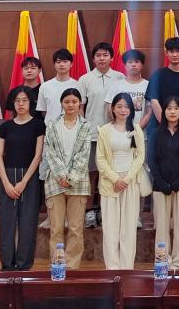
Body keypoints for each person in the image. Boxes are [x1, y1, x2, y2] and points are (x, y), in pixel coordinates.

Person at [0, 87, 45, 271]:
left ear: (31, 102)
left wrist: (24, 182)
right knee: (6, 223)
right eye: (17, 101)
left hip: (30, 177)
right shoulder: (6, 126)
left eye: (24, 100)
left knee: (27, 223)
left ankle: (24, 266)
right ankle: (7, 265)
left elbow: (38, 155)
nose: (21, 104)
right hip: (7, 176)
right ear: (13, 103)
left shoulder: (38, 125)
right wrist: (6, 183)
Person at [43, 88, 92, 269]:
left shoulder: (86, 126)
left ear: (80, 103)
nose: (70, 105)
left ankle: (72, 267)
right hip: (55, 181)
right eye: (67, 102)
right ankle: (57, 265)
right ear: (61, 104)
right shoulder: (52, 125)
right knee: (56, 228)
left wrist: (71, 177)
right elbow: (50, 152)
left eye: (74, 101)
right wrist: (62, 175)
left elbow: (84, 154)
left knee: (75, 228)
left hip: (78, 182)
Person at [96, 92, 146, 269]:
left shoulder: (136, 129)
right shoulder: (104, 131)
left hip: (130, 183)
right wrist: (115, 179)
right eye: (119, 106)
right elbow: (100, 159)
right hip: (110, 184)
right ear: (112, 109)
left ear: (131, 109)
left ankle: (127, 269)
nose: (123, 110)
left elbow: (140, 157)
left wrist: (127, 178)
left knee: (128, 229)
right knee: (110, 229)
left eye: (126, 106)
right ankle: (112, 270)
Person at [78, 42, 125, 226]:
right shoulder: (85, 79)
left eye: (105, 55)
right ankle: (90, 211)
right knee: (91, 174)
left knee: (110, 174)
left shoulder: (119, 78)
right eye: (98, 55)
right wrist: (83, 129)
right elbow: (80, 107)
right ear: (93, 59)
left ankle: (107, 210)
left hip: (114, 135)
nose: (102, 58)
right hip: (91, 135)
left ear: (112, 58)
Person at [152, 96, 179, 269]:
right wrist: (161, 182)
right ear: (164, 111)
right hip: (160, 186)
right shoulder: (156, 133)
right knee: (161, 226)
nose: (172, 112)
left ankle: (178, 261)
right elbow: (152, 161)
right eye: (169, 108)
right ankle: (162, 260)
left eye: (176, 108)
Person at [146, 37, 179, 174]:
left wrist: (176, 121)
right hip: (158, 128)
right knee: (158, 165)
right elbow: (154, 100)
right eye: (171, 51)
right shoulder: (158, 75)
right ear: (166, 53)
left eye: (178, 51)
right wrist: (165, 122)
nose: (174, 54)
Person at [36, 49, 80, 184]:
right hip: (51, 134)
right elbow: (44, 112)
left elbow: (80, 110)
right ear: (54, 64)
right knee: (48, 173)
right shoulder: (45, 86)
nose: (61, 64)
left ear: (71, 64)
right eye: (58, 62)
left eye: (65, 61)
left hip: (72, 134)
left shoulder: (78, 85)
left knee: (69, 171)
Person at [106, 49, 150, 129]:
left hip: (141, 133)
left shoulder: (148, 85)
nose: (133, 65)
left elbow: (149, 112)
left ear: (142, 65)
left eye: (137, 61)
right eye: (130, 62)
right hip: (120, 131)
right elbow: (110, 109)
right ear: (125, 65)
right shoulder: (116, 85)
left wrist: (137, 129)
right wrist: (121, 128)